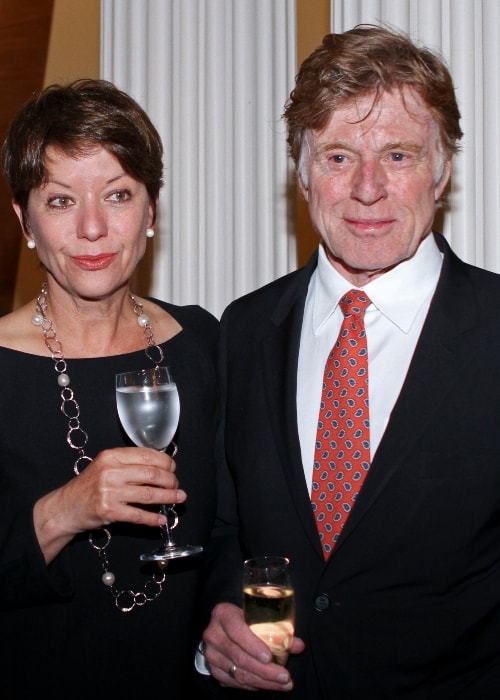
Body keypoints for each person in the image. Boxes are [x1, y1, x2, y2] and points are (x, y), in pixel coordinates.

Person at [193, 24, 500, 699]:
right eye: (337, 157)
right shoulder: (242, 330)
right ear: (300, 173)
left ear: (442, 169)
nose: (367, 188)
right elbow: (225, 528)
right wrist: (217, 615)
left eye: (398, 155)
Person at [0, 79, 218, 698]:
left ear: (152, 212)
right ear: (26, 222)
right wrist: (64, 510)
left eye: (118, 195)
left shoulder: (202, 342)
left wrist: (229, 613)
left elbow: (236, 527)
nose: (93, 228)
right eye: (62, 201)